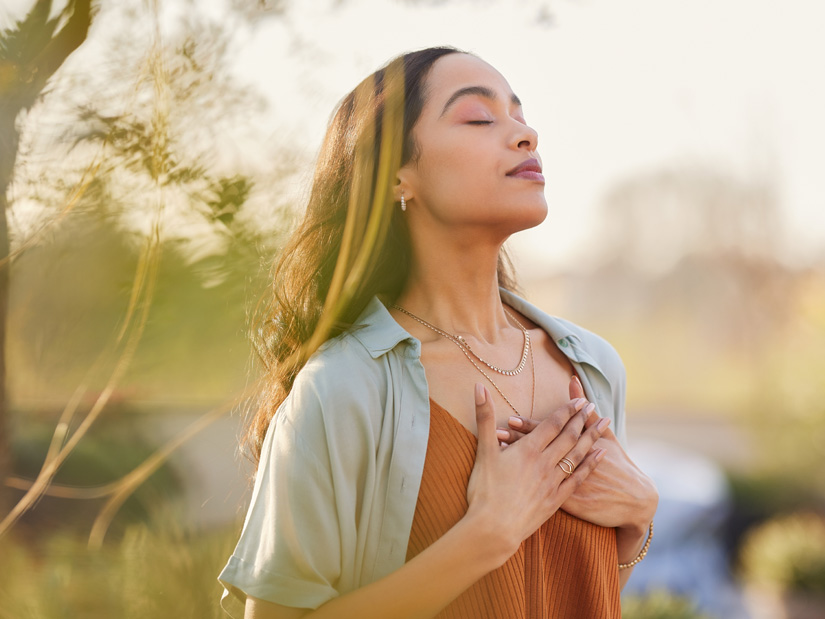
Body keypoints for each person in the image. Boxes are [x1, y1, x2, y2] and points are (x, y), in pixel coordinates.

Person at [218, 45, 658, 619]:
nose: (525, 135)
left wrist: (638, 521)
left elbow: (581, 590)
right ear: (399, 176)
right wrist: (485, 537)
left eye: (520, 116)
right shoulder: (343, 388)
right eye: (479, 118)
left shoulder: (595, 367)